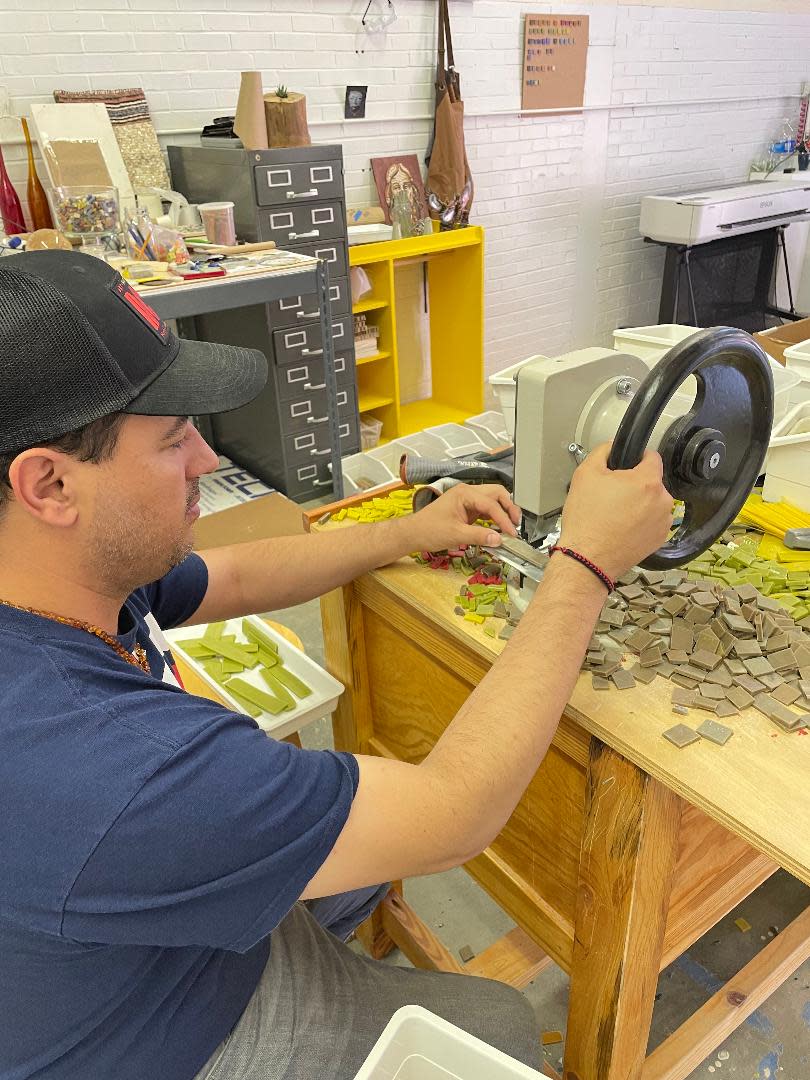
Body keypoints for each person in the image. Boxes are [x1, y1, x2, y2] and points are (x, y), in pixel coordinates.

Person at [0, 251, 673, 1080]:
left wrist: (403, 534)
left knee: (350, 856)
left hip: (117, 939)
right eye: (175, 441)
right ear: (49, 485)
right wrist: (588, 562)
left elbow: (233, 574)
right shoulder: (102, 763)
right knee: (495, 1021)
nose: (207, 462)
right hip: (156, 1033)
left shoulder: (53, 576)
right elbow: (454, 814)